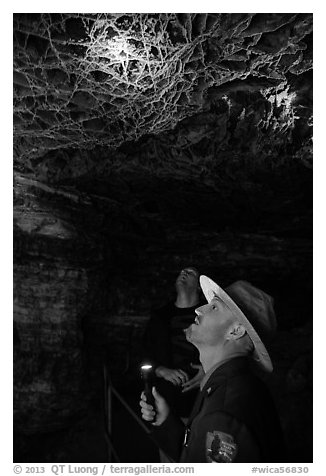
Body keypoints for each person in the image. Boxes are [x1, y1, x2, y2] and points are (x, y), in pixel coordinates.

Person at [140, 275, 286, 463]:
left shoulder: (223, 412)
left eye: (214, 306)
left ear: (236, 331)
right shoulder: (234, 386)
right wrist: (166, 421)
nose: (199, 309)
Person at [142, 267, 205, 418]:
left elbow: (229, 349)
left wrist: (209, 370)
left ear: (199, 286)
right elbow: (143, 353)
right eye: (181, 272)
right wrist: (161, 370)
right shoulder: (160, 316)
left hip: (202, 397)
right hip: (167, 398)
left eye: (190, 273)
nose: (183, 273)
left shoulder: (208, 314)